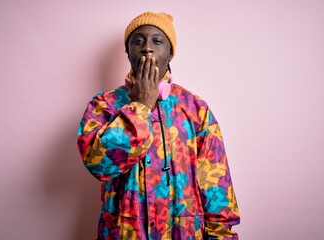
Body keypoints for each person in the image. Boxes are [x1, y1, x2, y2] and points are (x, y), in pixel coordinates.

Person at [77, 11, 240, 240]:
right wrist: (141, 106)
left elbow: (217, 188)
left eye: (157, 40)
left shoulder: (196, 109)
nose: (147, 48)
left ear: (170, 53)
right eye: (138, 41)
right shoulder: (104, 105)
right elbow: (99, 164)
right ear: (128, 52)